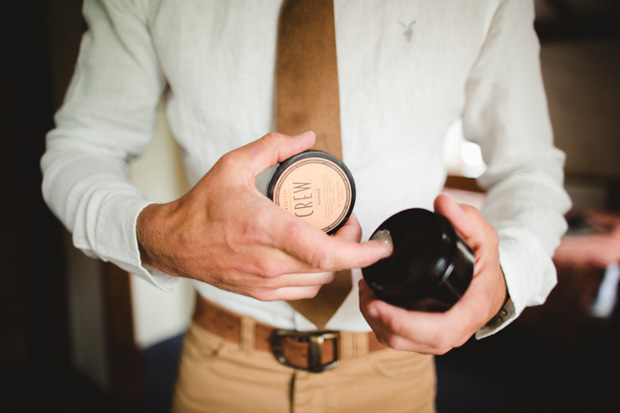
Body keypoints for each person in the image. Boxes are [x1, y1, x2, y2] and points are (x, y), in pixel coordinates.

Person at [41, 0, 571, 412]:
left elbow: (529, 170)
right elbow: (80, 150)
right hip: (223, 369)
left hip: (395, 372)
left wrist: (503, 278)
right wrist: (158, 236)